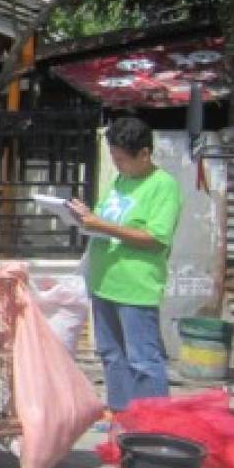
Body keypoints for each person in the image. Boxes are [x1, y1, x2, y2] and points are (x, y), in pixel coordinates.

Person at [68, 117, 181, 413]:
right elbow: (110, 221)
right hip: (104, 281)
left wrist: (102, 225)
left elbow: (155, 238)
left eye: (122, 159)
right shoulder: (122, 179)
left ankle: (155, 425)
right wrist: (86, 218)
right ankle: (122, 418)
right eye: (114, 158)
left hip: (135, 287)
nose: (117, 165)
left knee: (143, 359)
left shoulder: (163, 186)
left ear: (144, 154)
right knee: (111, 354)